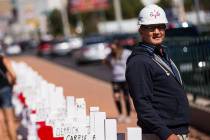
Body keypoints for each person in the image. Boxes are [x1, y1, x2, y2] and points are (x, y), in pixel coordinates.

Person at [126, 4, 190, 140]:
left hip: (175, 131)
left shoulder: (159, 54)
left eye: (160, 26)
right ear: (141, 30)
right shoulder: (139, 61)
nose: (157, 31)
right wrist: (166, 134)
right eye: (150, 27)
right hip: (161, 134)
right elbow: (143, 105)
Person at [104, 41, 132, 123]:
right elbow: (106, 62)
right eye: (111, 48)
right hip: (115, 79)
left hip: (125, 79)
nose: (112, 49)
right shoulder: (110, 55)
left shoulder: (126, 53)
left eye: (113, 47)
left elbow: (134, 57)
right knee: (116, 97)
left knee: (126, 97)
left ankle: (128, 116)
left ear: (118, 47)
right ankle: (121, 114)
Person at [0, 52, 17, 140]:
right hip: (5, 88)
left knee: (0, 120)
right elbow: (13, 75)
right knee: (10, 119)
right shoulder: (3, 59)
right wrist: (12, 84)